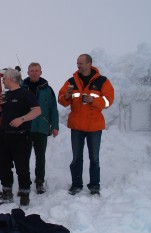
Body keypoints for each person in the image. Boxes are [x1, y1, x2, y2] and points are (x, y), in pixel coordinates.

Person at [58, 54, 114, 195]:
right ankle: (76, 185)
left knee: (94, 158)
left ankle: (94, 185)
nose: (78, 66)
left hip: (94, 127)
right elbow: (61, 100)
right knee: (76, 157)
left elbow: (109, 101)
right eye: (77, 63)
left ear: (89, 64)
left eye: (81, 63)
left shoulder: (102, 81)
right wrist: (66, 96)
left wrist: (93, 100)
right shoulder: (72, 81)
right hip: (76, 126)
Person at [0, 68, 41, 206]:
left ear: (11, 79)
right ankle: (7, 193)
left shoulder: (26, 94)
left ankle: (24, 193)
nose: (2, 81)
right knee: (3, 166)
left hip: (21, 137)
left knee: (22, 167)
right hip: (3, 136)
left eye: (4, 79)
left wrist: (22, 119)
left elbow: (37, 111)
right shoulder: (4, 95)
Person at [21, 63, 59, 194]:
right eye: (32, 71)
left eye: (36, 71)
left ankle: (39, 182)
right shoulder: (22, 87)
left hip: (41, 127)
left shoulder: (48, 90)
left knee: (40, 156)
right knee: (24, 156)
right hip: (25, 127)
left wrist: (55, 126)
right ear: (28, 72)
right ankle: (24, 181)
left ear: (41, 72)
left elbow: (53, 109)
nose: (34, 73)